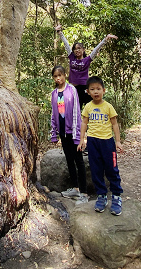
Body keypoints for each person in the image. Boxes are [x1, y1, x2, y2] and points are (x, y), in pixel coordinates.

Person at [77, 75, 123, 215]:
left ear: (103, 90)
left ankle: (116, 196)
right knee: (96, 170)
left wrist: (118, 141)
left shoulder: (108, 107)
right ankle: (101, 196)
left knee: (111, 169)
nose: (96, 92)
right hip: (93, 142)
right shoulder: (88, 107)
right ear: (88, 92)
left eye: (98, 89)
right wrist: (81, 140)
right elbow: (84, 123)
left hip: (107, 142)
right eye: (92, 89)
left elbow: (115, 124)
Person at [50, 65, 88, 203]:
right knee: (69, 160)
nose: (58, 78)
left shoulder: (71, 89)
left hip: (73, 132)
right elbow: (53, 114)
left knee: (78, 160)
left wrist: (79, 135)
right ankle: (75, 188)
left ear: (65, 75)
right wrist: (54, 133)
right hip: (63, 133)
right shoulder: (54, 93)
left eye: (60, 75)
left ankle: (84, 193)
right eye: (55, 76)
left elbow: (77, 111)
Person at [55, 24, 117, 108]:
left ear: (83, 50)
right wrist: (59, 32)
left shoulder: (87, 60)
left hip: (84, 87)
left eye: (79, 48)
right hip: (73, 88)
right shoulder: (72, 57)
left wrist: (105, 39)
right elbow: (66, 44)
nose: (77, 50)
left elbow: (96, 50)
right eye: (75, 49)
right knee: (74, 109)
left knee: (90, 107)